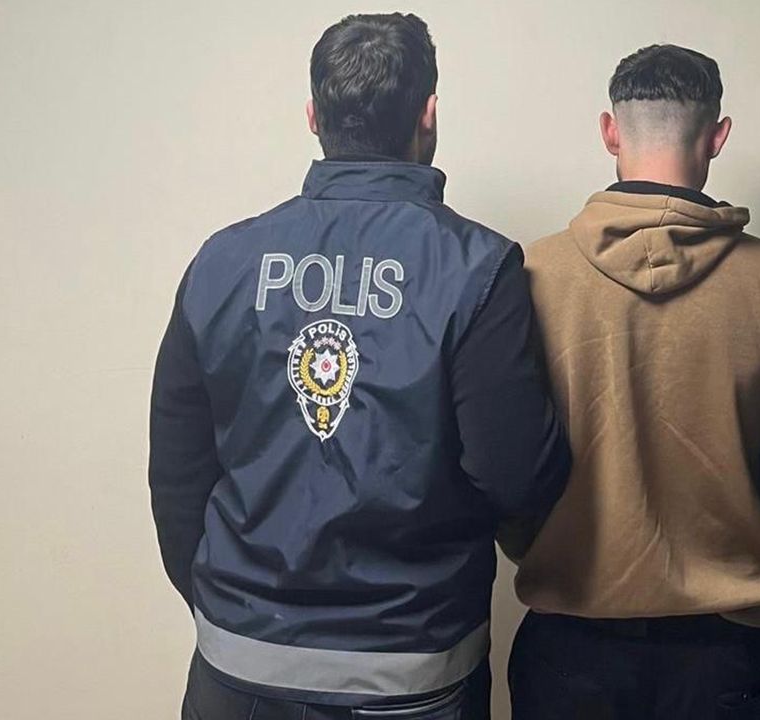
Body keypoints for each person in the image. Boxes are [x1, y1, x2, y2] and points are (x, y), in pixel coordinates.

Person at [148, 13, 570, 720]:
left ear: (314, 117)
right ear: (428, 114)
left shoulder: (221, 261)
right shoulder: (479, 268)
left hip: (238, 671)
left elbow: (177, 475)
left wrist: (237, 616)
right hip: (412, 673)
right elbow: (516, 476)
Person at [503, 44, 760, 720]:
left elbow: (504, 461)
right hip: (738, 650)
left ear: (610, 132)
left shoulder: (531, 274)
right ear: (717, 136)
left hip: (572, 644)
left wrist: (537, 542)